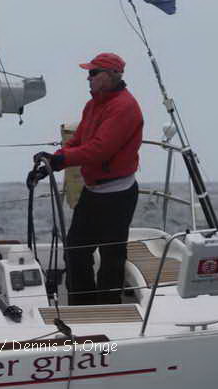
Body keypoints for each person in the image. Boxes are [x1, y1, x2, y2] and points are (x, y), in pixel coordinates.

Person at [34, 52, 143, 305]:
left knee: (111, 257)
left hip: (118, 195)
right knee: (75, 250)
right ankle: (82, 305)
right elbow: (78, 141)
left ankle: (108, 309)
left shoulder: (125, 107)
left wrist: (61, 160)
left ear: (113, 75)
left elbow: (99, 150)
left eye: (93, 73)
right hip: (93, 192)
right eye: (88, 73)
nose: (88, 78)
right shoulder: (93, 105)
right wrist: (52, 163)